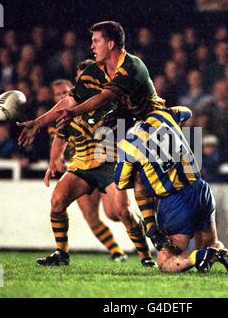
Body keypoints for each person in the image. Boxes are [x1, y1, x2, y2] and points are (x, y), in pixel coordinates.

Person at [20, 58, 156, 267]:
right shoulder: (71, 106)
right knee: (58, 201)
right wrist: (53, 162)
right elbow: (60, 136)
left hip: (110, 163)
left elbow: (135, 125)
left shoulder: (113, 101)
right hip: (82, 165)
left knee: (122, 212)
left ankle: (146, 258)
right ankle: (61, 254)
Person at [115, 105, 228, 274]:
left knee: (165, 262)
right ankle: (218, 252)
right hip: (200, 188)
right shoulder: (164, 115)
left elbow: (121, 182)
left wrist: (124, 160)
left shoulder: (129, 144)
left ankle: (205, 255)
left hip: (175, 199)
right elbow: (187, 112)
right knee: (211, 243)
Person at [45, 64, 127, 262]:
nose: (60, 97)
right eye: (57, 94)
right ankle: (117, 252)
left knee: (115, 213)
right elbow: (60, 144)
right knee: (91, 216)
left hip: (104, 165)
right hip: (81, 170)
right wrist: (56, 161)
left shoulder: (97, 106)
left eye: (64, 92)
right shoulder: (57, 123)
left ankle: (147, 238)